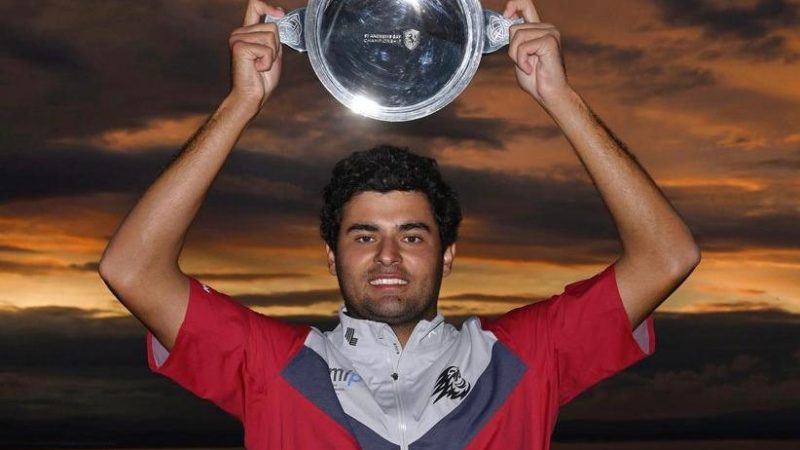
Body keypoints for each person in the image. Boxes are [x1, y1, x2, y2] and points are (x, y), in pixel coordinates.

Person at [98, 0, 700, 448]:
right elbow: (131, 269)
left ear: (447, 255)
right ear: (332, 257)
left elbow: (667, 257)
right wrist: (240, 103)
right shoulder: (272, 365)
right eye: (364, 236)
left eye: (412, 235)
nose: (388, 257)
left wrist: (559, 96)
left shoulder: (523, 357)